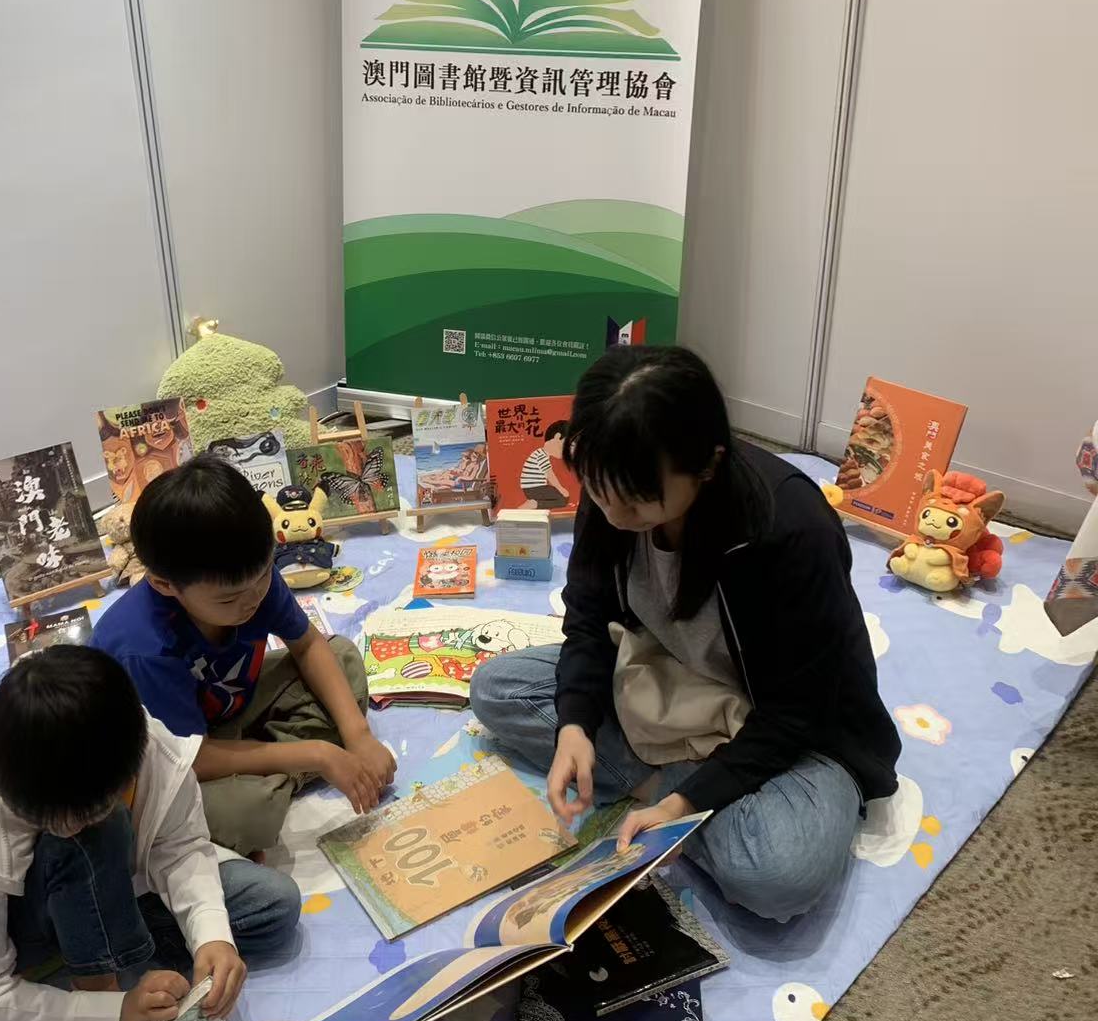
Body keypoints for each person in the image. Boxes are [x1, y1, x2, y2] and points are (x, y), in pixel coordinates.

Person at [470, 345, 900, 922]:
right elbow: (588, 619)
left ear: (708, 464)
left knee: (776, 875)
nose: (613, 513)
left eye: (636, 502)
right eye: (597, 488)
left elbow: (802, 710)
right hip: (670, 683)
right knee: (496, 688)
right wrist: (574, 725)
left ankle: (665, 787)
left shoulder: (788, 529)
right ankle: (678, 788)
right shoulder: (612, 482)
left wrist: (684, 801)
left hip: (784, 723)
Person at [0, 647, 300, 1021]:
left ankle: (110, 955)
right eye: (45, 820)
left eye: (89, 810)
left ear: (133, 766)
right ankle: (98, 984)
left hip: (112, 888)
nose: (67, 827)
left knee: (274, 905)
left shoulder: (138, 743)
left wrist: (212, 937)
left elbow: (181, 846)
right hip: (26, 933)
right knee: (91, 838)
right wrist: (113, 1014)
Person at [93, 454, 395, 856]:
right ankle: (282, 768)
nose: (253, 600)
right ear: (164, 584)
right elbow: (192, 758)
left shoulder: (249, 576)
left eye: (265, 575)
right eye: (229, 599)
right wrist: (319, 754)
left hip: (227, 713)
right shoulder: (144, 649)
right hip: (168, 760)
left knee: (342, 657)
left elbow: (308, 644)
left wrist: (359, 736)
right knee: (248, 815)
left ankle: (272, 767)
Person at [520, 420, 572, 509]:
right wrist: (560, 488)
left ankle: (535, 503)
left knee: (562, 498)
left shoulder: (540, 453)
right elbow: (549, 474)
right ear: (557, 437)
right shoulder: (541, 455)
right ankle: (534, 504)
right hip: (534, 488)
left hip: (533, 488)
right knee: (563, 499)